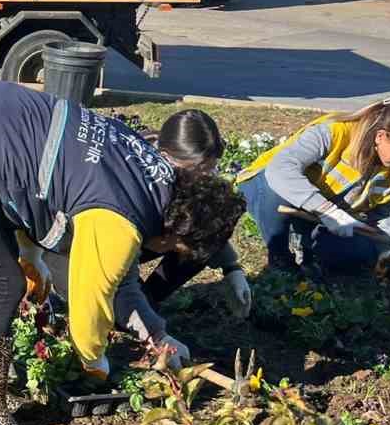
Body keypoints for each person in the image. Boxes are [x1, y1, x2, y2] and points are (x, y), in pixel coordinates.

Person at [0, 81, 246, 425]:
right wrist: (97, 366)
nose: (160, 252)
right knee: (0, 284)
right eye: (172, 249)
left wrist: (156, 335)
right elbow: (88, 309)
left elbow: (43, 180)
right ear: (175, 232)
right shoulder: (121, 222)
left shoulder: (150, 175)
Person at [47, 110, 254, 348]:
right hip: (85, 237)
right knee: (102, 293)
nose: (206, 176)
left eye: (212, 168)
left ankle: (146, 302)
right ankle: (118, 308)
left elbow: (204, 228)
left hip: (145, 235)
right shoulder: (134, 182)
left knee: (194, 240)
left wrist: (232, 267)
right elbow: (121, 254)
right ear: (167, 157)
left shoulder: (184, 170)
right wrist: (153, 333)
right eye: (200, 169)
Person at [236, 96, 390, 273]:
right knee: (275, 190)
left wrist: (386, 251)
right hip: (265, 188)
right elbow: (279, 170)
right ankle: (280, 258)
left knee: (359, 252)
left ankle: (303, 239)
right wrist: (327, 211)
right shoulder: (336, 131)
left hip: (315, 212)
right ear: (381, 136)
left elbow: (384, 214)